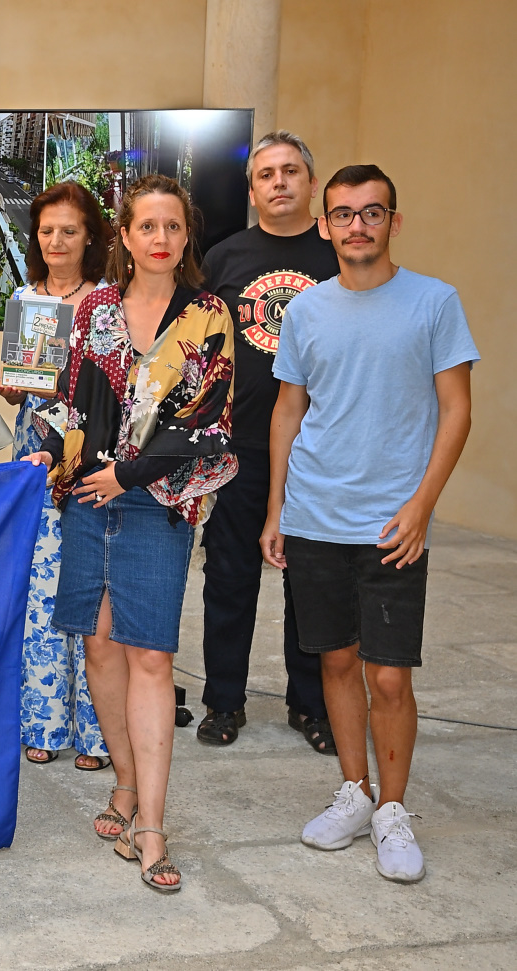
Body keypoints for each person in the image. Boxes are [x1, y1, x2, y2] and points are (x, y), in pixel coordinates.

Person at [23, 174, 238, 893]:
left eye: (172, 226)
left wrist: (129, 474)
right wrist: (47, 453)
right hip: (88, 498)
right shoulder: (95, 310)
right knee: (98, 644)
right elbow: (73, 399)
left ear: (186, 236)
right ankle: (124, 781)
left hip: (157, 503)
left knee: (150, 655)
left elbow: (204, 420)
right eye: (147, 226)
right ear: (125, 235)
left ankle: (151, 825)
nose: (160, 238)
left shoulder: (208, 315)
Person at [263, 165, 477, 884]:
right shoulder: (307, 311)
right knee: (335, 662)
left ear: (393, 221)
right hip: (316, 515)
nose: (358, 225)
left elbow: (456, 410)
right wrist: (276, 510)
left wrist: (421, 505)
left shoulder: (434, 303)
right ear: (325, 226)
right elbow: (289, 411)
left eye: (372, 212)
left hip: (392, 523)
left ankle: (392, 808)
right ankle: (353, 793)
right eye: (344, 214)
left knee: (389, 675)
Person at [194, 131, 340, 753]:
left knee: (312, 582)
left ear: (310, 182)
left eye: (290, 172)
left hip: (321, 449)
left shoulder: (338, 257)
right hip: (239, 447)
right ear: (252, 190)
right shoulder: (224, 258)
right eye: (266, 175)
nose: (278, 183)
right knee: (229, 578)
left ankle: (311, 706)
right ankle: (223, 702)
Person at [0, 181, 111, 771]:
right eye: (47, 230)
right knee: (36, 590)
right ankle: (41, 718)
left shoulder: (110, 303)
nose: (57, 240)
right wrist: (14, 385)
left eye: (69, 229)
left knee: (90, 587)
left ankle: (96, 729)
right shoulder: (23, 297)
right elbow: (13, 384)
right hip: (32, 451)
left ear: (90, 235)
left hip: (92, 458)